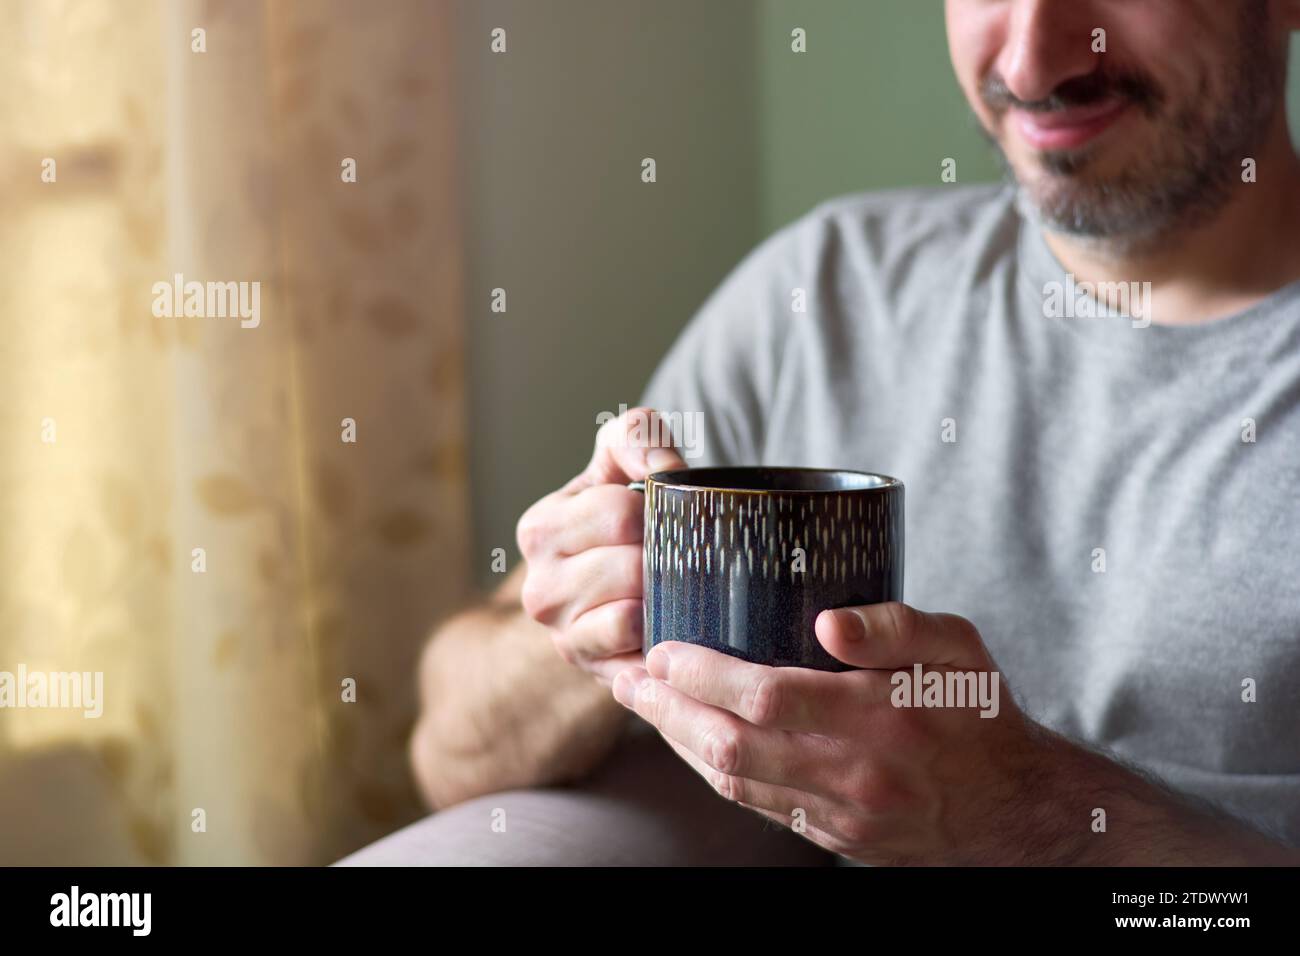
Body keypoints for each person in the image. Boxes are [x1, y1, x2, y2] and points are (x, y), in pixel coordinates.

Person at [341, 0, 1300, 865]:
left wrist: (1029, 817)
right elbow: (449, 754)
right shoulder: (828, 294)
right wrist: (590, 630)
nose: (1036, 59)